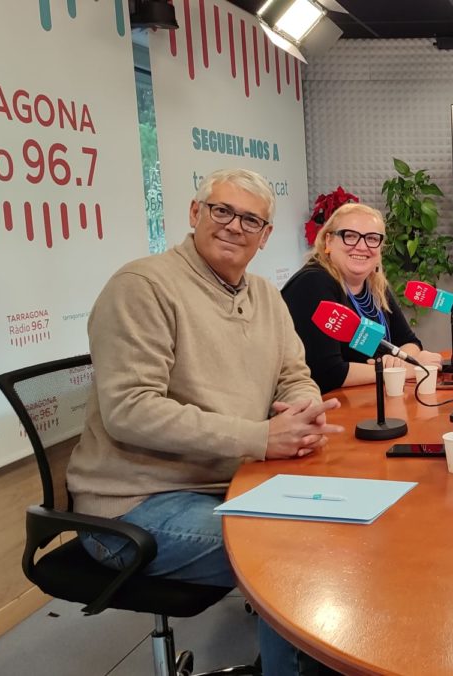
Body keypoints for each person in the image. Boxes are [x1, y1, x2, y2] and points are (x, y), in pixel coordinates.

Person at [65, 168, 344, 675]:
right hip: (135, 508)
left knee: (346, 527)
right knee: (292, 552)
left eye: (251, 220)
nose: (235, 226)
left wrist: (303, 408)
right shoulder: (142, 287)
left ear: (264, 237)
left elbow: (293, 374)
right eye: (222, 211)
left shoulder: (265, 295)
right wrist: (260, 437)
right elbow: (130, 410)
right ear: (195, 214)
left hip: (226, 484)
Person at [281, 202, 442, 392]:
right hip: (323, 408)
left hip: (370, 400)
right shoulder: (313, 283)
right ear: (328, 241)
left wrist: (394, 363)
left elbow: (410, 342)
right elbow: (327, 373)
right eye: (350, 236)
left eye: (372, 238)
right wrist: (406, 369)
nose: (362, 246)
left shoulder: (375, 285)